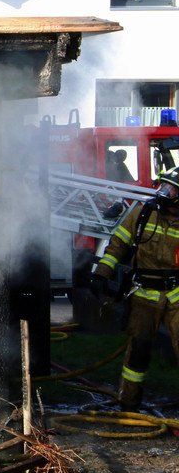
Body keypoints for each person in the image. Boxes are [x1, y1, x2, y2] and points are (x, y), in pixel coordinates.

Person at [92, 167, 179, 410]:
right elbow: (118, 244)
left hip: (176, 295)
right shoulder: (143, 213)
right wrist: (101, 274)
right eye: (164, 186)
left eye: (172, 189)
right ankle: (129, 404)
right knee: (138, 351)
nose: (165, 192)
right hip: (144, 295)